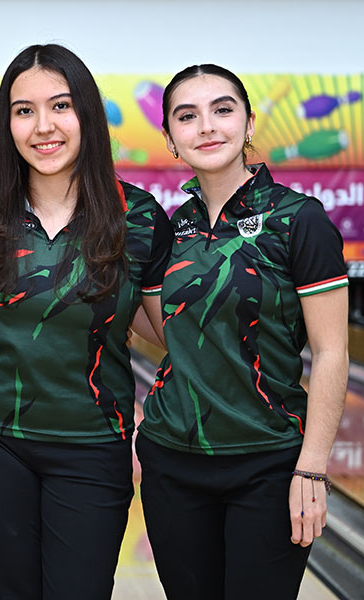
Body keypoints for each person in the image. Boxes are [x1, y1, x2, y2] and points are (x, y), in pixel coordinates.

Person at [0, 44, 172, 599]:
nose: (43, 126)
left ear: (87, 113)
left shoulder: (139, 216)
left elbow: (165, 329)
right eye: (24, 110)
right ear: (7, 124)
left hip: (92, 440)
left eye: (60, 106)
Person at [136, 64, 349, 599]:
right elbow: (167, 331)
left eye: (222, 109)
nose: (207, 126)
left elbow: (331, 352)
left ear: (249, 123)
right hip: (171, 458)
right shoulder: (170, 228)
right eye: (188, 116)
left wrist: (312, 470)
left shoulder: (299, 220)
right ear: (170, 138)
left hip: (269, 462)